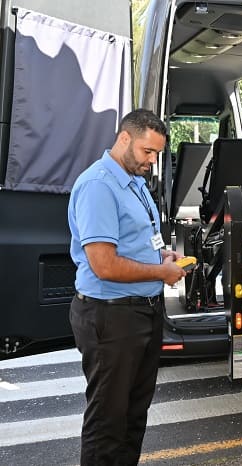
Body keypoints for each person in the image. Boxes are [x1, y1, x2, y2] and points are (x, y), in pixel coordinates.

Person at [67, 109, 186, 465]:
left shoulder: (133, 180)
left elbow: (134, 240)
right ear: (124, 139)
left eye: (157, 154)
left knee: (134, 415)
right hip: (111, 316)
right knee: (108, 421)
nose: (152, 161)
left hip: (142, 311)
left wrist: (159, 254)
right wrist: (159, 273)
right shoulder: (99, 186)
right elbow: (103, 265)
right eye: (147, 151)